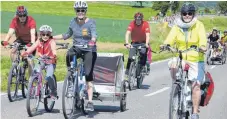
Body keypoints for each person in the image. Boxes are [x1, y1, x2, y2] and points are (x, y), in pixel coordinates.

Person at [160, 3, 207, 119]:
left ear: (193, 14)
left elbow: (202, 39)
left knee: (196, 86)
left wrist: (202, 46)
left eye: (189, 13)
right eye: (184, 13)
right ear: (181, 14)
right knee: (172, 64)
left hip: (196, 58)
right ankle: (178, 84)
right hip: (181, 56)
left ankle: (195, 113)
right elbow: (170, 38)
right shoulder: (177, 26)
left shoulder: (199, 25)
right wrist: (166, 44)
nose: (187, 16)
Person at [53, 1, 97, 111]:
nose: (80, 12)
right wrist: (51, 37)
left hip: (89, 49)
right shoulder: (72, 22)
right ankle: (71, 75)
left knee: (88, 74)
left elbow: (94, 35)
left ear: (85, 11)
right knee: (69, 53)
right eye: (78, 10)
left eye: (82, 10)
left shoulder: (91, 22)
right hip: (77, 47)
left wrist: (92, 41)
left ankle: (90, 101)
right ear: (75, 11)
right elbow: (67, 34)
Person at [21, 25, 57, 99]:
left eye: (47, 34)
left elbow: (53, 49)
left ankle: (53, 91)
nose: (45, 36)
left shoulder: (52, 41)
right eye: (43, 34)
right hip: (41, 60)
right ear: (40, 34)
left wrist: (54, 55)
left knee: (49, 77)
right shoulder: (38, 41)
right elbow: (32, 47)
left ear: (50, 35)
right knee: (35, 72)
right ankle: (34, 87)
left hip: (50, 61)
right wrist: (26, 53)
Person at [1, 6, 37, 77]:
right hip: (20, 39)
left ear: (26, 15)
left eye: (24, 15)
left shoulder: (31, 20)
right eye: (20, 15)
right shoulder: (14, 20)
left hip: (31, 40)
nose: (22, 17)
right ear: (18, 15)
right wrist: (5, 41)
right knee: (13, 51)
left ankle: (31, 79)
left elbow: (33, 34)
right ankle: (15, 68)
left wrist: (32, 43)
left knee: (29, 60)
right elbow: (10, 33)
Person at [124, 12, 150, 76]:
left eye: (139, 19)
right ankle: (127, 71)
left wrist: (146, 43)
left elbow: (148, 35)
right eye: (137, 19)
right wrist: (127, 43)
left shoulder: (145, 24)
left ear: (142, 19)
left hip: (143, 43)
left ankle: (143, 67)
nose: (138, 21)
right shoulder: (132, 23)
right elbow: (127, 33)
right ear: (135, 19)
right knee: (130, 57)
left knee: (143, 52)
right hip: (134, 43)